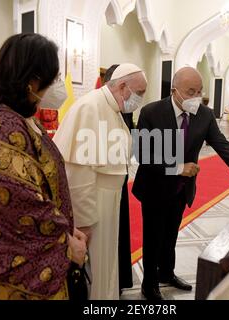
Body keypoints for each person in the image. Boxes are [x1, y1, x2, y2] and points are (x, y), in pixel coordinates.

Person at [0, 34, 87, 300]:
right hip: (14, 267)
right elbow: (23, 205)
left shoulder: (23, 119)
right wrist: (65, 244)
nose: (57, 84)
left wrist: (66, 228)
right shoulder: (1, 127)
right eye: (53, 78)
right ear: (31, 81)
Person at [132, 67, 229, 301]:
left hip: (181, 189)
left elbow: (222, 144)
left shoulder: (205, 114)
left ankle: (167, 273)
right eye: (190, 91)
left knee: (171, 235)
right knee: (153, 236)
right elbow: (142, 154)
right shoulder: (151, 112)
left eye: (200, 91)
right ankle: (150, 284)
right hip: (155, 187)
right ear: (174, 91)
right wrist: (177, 168)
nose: (196, 96)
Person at [54, 63, 147, 300]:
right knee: (93, 269)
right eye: (140, 93)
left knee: (106, 264)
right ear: (123, 86)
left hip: (108, 202)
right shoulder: (90, 108)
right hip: (93, 206)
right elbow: (78, 171)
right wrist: (83, 222)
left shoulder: (112, 109)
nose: (140, 99)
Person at [103, 64, 134, 294]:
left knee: (120, 232)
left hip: (119, 179)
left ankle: (120, 280)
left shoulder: (123, 108)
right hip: (103, 185)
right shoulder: (95, 109)